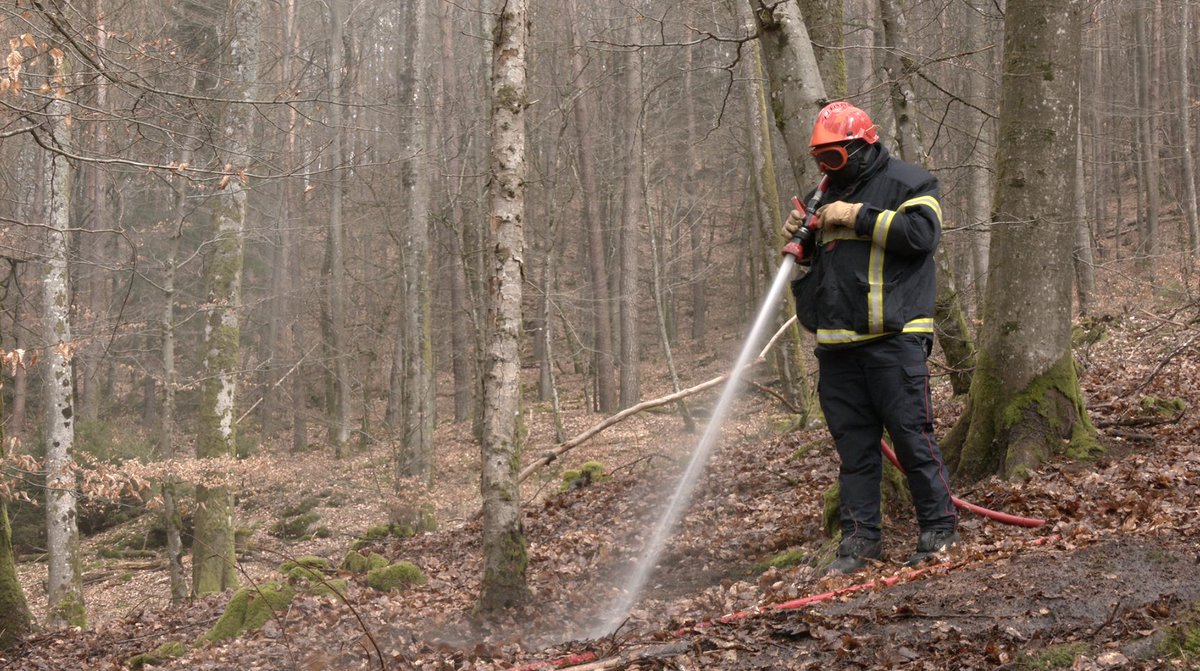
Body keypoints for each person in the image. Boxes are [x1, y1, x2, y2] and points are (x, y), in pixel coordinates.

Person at [783, 101, 958, 575]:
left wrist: (859, 216)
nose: (826, 169)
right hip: (837, 348)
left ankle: (939, 529)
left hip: (893, 341)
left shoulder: (909, 183)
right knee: (855, 452)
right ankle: (859, 542)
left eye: (834, 158)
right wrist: (802, 239)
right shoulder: (821, 197)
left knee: (912, 439)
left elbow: (921, 235)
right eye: (820, 159)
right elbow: (824, 264)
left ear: (862, 147)